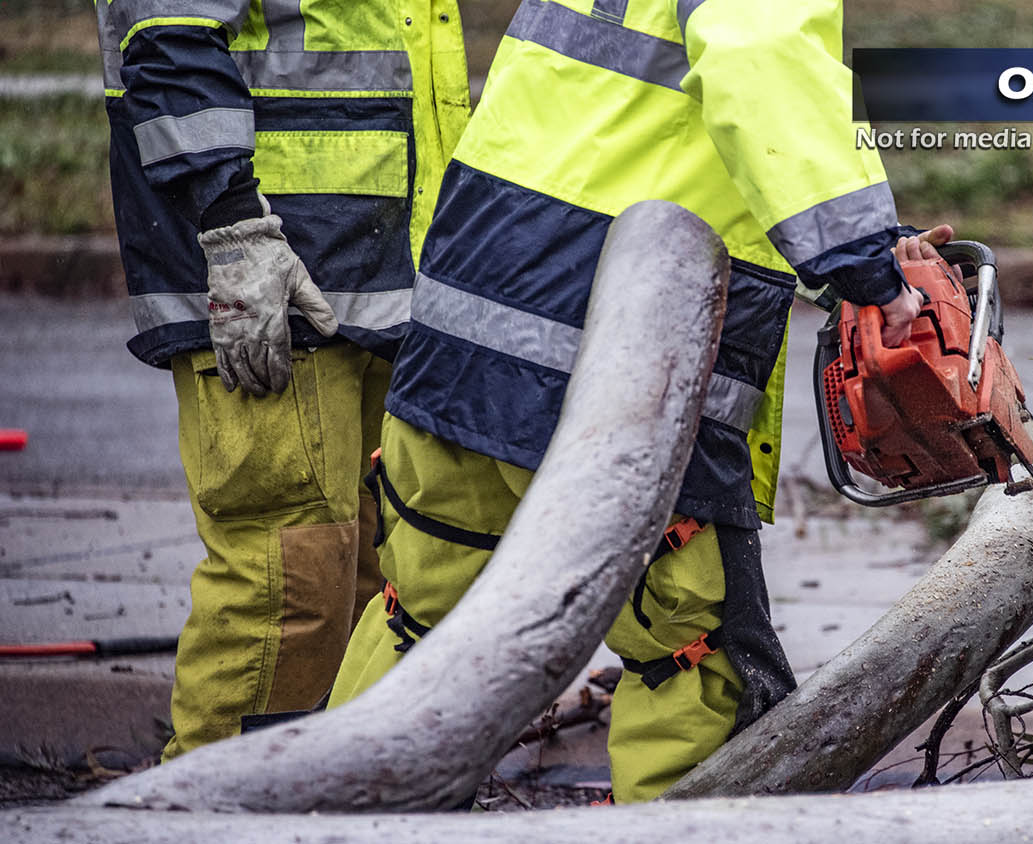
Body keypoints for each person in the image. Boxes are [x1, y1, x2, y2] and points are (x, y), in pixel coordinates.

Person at [327, 0, 948, 802]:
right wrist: (867, 262)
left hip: (468, 325)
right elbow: (760, 59)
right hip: (630, 352)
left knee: (422, 619)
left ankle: (324, 816)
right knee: (692, 657)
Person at [90, 0, 470, 759]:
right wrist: (232, 220)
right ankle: (213, 817)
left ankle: (326, 806)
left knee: (375, 584)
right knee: (286, 585)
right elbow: (166, 34)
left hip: (379, 274)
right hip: (267, 265)